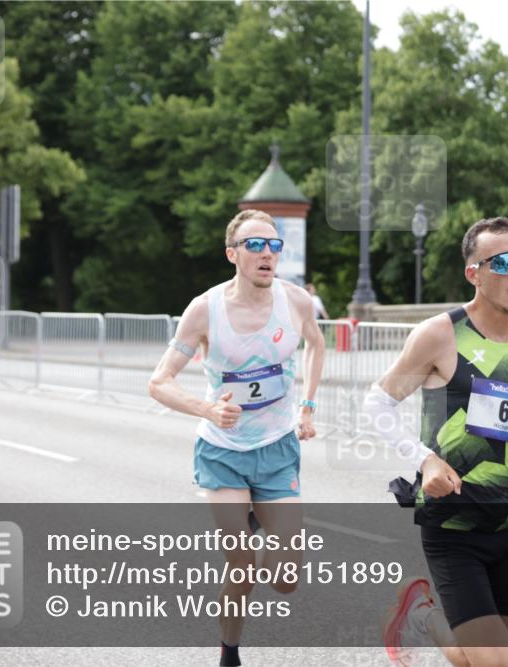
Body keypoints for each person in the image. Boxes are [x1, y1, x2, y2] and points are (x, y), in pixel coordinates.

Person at [369, 217, 508, 666]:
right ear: (474, 273)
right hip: (453, 528)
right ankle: (426, 616)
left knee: (490, 656)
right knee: (498, 663)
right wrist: (425, 460)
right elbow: (378, 403)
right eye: (505, 263)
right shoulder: (441, 334)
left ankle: (423, 617)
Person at [148, 208, 325, 667]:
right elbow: (159, 381)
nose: (267, 253)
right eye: (255, 245)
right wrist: (207, 408)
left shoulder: (297, 303)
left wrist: (307, 405)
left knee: (286, 578)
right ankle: (229, 649)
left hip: (278, 447)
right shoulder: (205, 310)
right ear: (233, 253)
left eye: (274, 246)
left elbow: (316, 344)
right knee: (242, 562)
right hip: (223, 454)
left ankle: (262, 524)